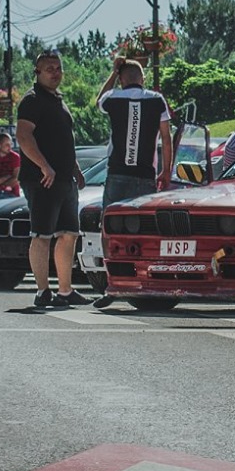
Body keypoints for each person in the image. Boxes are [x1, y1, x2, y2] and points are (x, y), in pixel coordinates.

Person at [91, 56, 173, 309]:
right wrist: (166, 171)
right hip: (145, 176)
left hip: (117, 173)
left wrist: (113, 73)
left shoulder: (114, 98)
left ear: (122, 78)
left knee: (110, 229)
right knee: (145, 231)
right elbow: (166, 137)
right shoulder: (156, 100)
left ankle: (111, 283)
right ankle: (145, 282)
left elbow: (98, 101)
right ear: (143, 78)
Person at [16, 50, 84, 309]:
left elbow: (62, 140)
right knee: (42, 234)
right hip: (41, 179)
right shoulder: (32, 100)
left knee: (68, 234)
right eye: (49, 69)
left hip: (65, 180)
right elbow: (24, 137)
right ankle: (43, 290)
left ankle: (65, 290)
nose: (55, 72)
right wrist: (44, 166)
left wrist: (75, 168)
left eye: (58, 68)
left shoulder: (59, 101)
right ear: (37, 73)